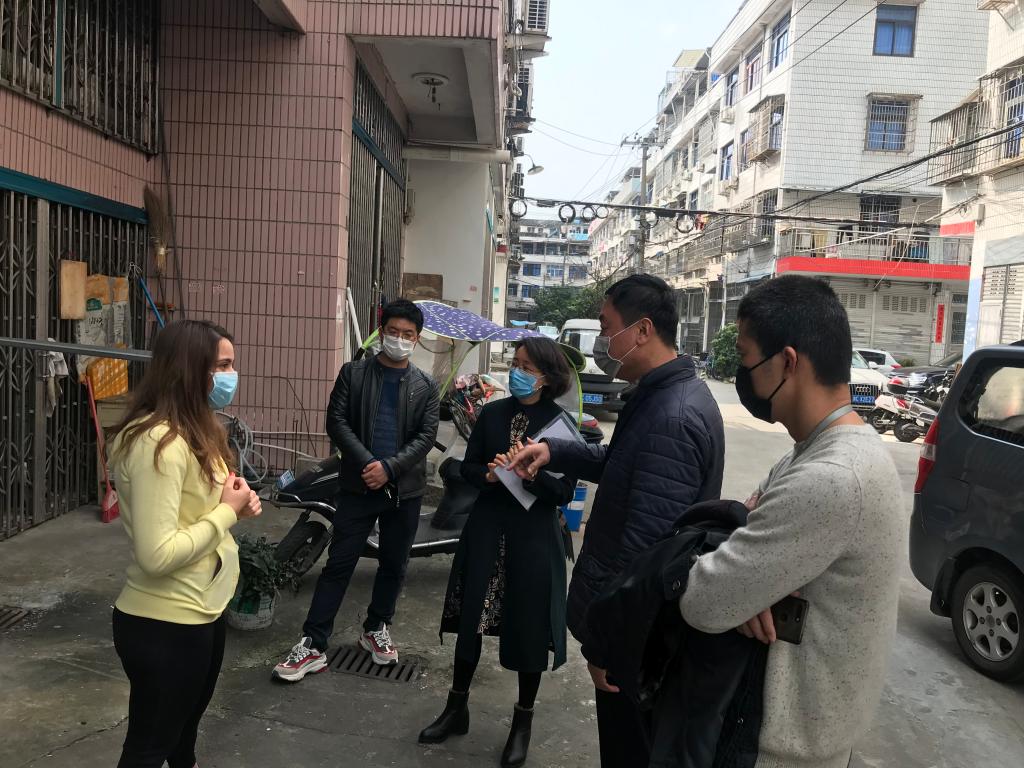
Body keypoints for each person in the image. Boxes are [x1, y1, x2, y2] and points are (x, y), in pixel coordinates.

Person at [679, 275, 904, 768]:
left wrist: (746, 581)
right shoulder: (821, 451)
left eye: (745, 357)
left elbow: (704, 600)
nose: (742, 374)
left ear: (786, 362)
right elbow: (745, 524)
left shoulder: (833, 477)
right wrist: (755, 579)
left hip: (787, 749)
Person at [507, 274, 725, 767]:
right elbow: (621, 464)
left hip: (636, 638)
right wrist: (554, 450)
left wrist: (611, 646)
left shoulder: (672, 416)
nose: (603, 341)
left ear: (642, 330)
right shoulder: (659, 396)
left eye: (607, 328)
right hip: (638, 629)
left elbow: (644, 550)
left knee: (629, 749)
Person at [419, 337, 578, 768]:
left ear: (547, 376)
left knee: (529, 626)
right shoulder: (492, 413)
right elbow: (465, 468)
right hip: (487, 526)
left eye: (528, 367)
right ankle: (456, 708)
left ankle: (522, 723)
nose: (517, 372)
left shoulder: (561, 425)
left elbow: (565, 491)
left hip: (533, 536)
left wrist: (531, 475)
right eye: (517, 363)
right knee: (471, 615)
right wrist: (488, 476)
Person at [109, 319, 261, 768]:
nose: (232, 376)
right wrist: (226, 512)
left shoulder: (196, 428)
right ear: (189, 369)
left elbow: (196, 509)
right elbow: (156, 555)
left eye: (232, 364)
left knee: (182, 736)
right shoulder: (158, 442)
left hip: (201, 610)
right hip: (165, 621)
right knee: (149, 747)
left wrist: (235, 502)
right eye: (223, 366)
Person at [273, 299, 439, 680]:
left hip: (404, 491)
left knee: (394, 564)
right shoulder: (354, 373)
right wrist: (368, 464)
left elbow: (426, 436)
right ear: (381, 332)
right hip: (357, 486)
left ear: (417, 339)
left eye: (408, 334)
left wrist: (389, 468)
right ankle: (313, 644)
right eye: (393, 332)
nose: (400, 339)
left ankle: (376, 628)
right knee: (339, 564)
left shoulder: (425, 386)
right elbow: (336, 421)